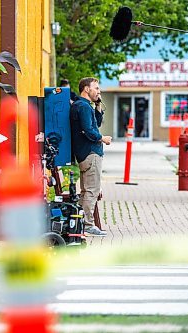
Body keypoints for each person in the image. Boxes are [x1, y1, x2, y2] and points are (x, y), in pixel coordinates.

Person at [70, 77, 111, 236]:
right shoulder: (84, 107)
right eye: (96, 88)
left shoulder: (82, 106)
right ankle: (87, 225)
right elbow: (89, 130)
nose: (99, 91)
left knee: (86, 191)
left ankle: (79, 222)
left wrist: (99, 104)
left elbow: (96, 122)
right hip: (91, 153)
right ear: (86, 89)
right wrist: (103, 138)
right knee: (91, 191)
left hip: (84, 153)